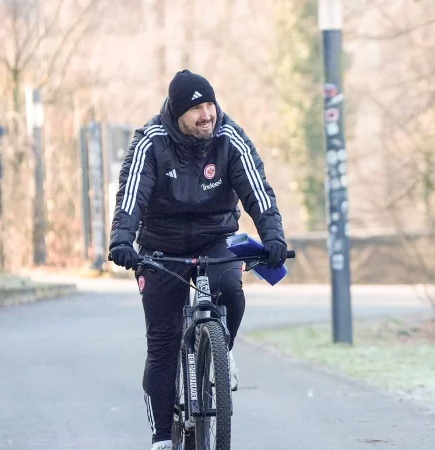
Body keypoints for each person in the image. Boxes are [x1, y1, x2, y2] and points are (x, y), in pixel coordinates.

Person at [108, 70, 288, 450]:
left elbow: (258, 191)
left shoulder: (229, 136)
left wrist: (273, 237)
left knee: (230, 290)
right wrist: (123, 240)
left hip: (217, 237)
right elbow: (131, 195)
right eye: (196, 109)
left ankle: (222, 354)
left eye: (210, 104)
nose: (207, 114)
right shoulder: (151, 141)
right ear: (177, 114)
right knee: (163, 342)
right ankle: (161, 439)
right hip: (161, 245)